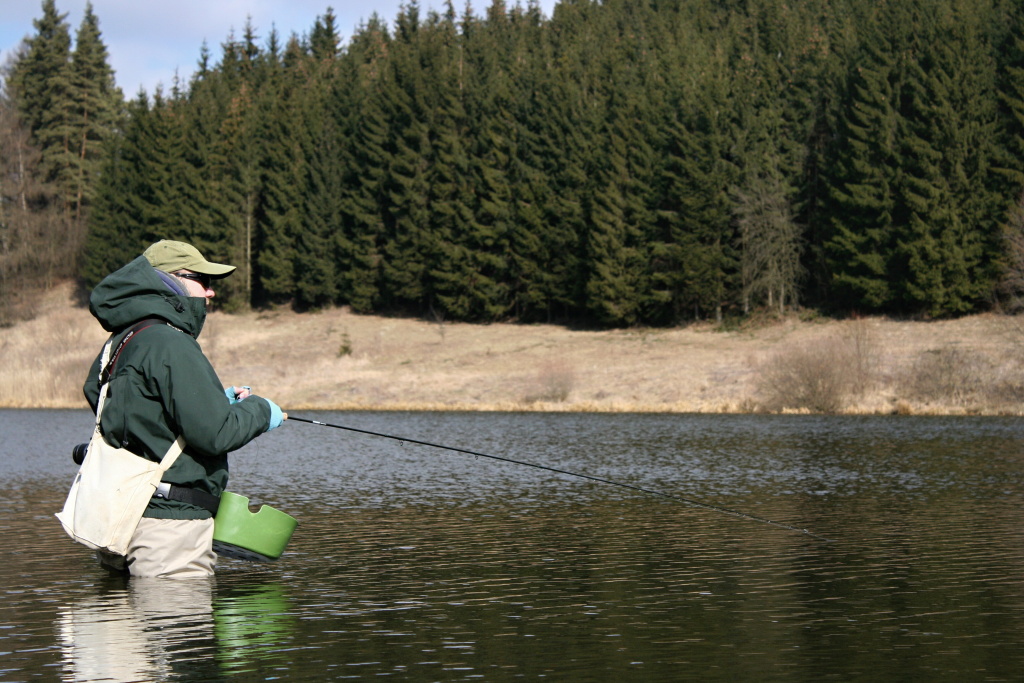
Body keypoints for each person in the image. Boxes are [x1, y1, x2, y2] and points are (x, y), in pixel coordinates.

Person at [82, 239, 286, 578]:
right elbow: (216, 433)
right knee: (181, 630)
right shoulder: (170, 342)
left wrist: (208, 399)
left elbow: (114, 404)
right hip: (169, 529)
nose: (210, 293)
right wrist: (263, 411)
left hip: (119, 518)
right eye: (203, 281)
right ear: (172, 279)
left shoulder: (125, 339)